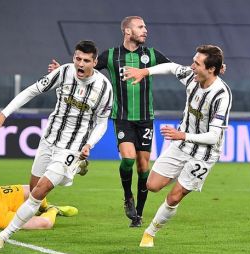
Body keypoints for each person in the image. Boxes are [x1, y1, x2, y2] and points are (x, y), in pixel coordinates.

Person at [0, 40, 113, 249]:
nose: (80, 64)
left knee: (39, 192)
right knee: (34, 186)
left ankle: (3, 236)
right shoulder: (63, 72)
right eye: (78, 59)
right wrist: (4, 113)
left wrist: (90, 143)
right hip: (49, 139)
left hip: (72, 147)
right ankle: (73, 173)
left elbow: (101, 122)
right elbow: (32, 90)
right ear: (74, 57)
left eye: (86, 61)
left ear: (95, 62)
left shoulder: (103, 88)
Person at [48, 16, 171, 227]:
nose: (145, 30)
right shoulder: (111, 56)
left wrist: (212, 67)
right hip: (122, 117)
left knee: (143, 168)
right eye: (140, 27)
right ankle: (127, 197)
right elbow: (86, 71)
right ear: (127, 31)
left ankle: (138, 214)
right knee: (129, 159)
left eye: (145, 27)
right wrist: (64, 72)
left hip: (145, 119)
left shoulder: (151, 55)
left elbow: (176, 69)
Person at [123, 45, 231, 247]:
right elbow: (172, 68)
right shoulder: (192, 77)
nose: (192, 66)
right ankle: (178, 181)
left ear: (211, 69)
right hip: (181, 145)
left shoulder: (221, 95)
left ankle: (150, 232)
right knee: (152, 185)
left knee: (175, 196)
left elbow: (214, 136)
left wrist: (183, 134)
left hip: (203, 154)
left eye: (197, 64)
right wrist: (145, 71)